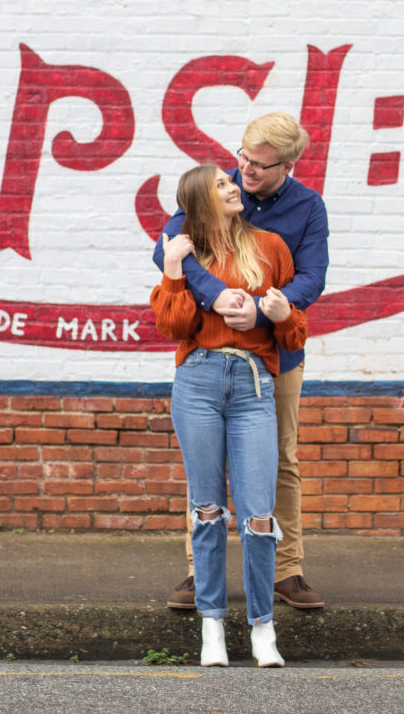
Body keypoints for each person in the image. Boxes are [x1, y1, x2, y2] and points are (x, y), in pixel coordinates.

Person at [153, 112, 329, 610]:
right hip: (208, 355)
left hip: (276, 352)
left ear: (288, 165)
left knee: (281, 462)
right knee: (205, 468)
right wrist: (217, 297)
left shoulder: (307, 208)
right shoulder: (217, 189)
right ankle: (198, 570)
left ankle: (287, 571)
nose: (246, 171)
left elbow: (311, 278)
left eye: (259, 166)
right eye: (243, 159)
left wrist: (264, 310)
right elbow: (169, 250)